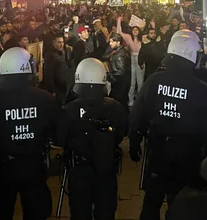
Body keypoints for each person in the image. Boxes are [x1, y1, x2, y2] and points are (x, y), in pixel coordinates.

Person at [129, 30, 207, 220]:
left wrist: (134, 141)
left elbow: (138, 113)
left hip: (158, 152)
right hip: (187, 157)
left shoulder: (155, 80)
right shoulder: (200, 89)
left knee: (151, 202)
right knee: (179, 203)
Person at [0, 47, 62, 220]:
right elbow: (57, 133)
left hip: (1, 168)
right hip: (33, 167)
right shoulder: (46, 99)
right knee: (36, 212)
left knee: (0, 213)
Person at [57, 58, 127, 220]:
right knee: (106, 212)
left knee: (80, 213)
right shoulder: (116, 107)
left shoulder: (69, 110)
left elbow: (60, 139)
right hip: (106, 172)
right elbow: (121, 134)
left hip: (79, 173)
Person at [107, 33, 131, 113]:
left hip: (120, 84)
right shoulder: (120, 52)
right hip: (121, 84)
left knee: (120, 105)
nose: (110, 43)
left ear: (118, 42)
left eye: (112, 41)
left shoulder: (120, 54)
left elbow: (121, 72)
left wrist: (109, 75)